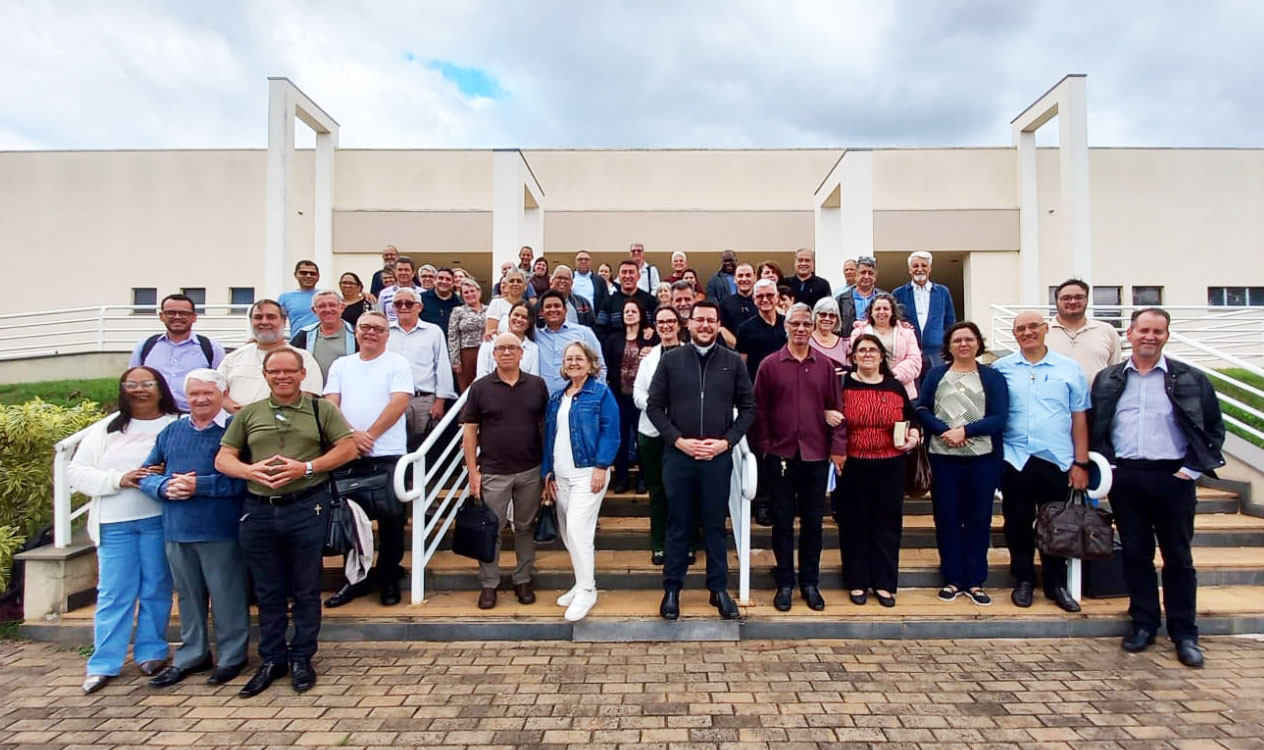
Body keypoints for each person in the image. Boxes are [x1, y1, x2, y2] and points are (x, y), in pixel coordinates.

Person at [1090, 308, 1226, 668]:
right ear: (1130, 334)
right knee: (1135, 554)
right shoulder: (1109, 379)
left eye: (1157, 331)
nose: (1149, 336)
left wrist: (1192, 470)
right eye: (1143, 330)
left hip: (1173, 478)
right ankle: (1144, 624)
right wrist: (1109, 468)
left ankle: (1184, 632)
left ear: (1166, 335)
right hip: (1128, 477)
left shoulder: (1190, 379)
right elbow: (1096, 426)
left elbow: (1213, 428)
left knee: (1178, 557)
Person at [215, 347, 355, 697]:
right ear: (265, 375)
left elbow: (347, 448)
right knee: (267, 589)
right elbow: (223, 457)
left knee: (306, 587)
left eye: (288, 371)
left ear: (301, 373)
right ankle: (272, 658)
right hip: (259, 508)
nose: (282, 377)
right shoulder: (249, 414)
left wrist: (306, 467)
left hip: (306, 505)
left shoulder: (320, 410)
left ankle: (302, 657)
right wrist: (249, 470)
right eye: (274, 372)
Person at [69, 367, 179, 694]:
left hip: (158, 519)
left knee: (157, 588)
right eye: (132, 385)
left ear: (160, 388)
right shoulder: (106, 428)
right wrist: (119, 479)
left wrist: (163, 473)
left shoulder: (175, 425)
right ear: (122, 390)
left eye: (147, 384)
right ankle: (104, 662)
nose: (140, 390)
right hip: (115, 523)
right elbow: (76, 472)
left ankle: (152, 651)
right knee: (114, 593)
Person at [138, 369, 249, 688]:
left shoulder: (234, 430)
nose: (200, 399)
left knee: (227, 597)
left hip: (220, 528)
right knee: (187, 597)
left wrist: (198, 485)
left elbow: (243, 478)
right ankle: (193, 655)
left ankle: (232, 656)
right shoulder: (171, 432)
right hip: (176, 528)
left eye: (208, 393)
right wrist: (162, 487)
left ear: (222, 394)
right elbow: (145, 474)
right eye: (194, 393)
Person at [647, 301, 756, 621]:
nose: (705, 325)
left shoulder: (733, 362)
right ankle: (672, 589)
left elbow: (749, 408)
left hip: (716, 458)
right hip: (679, 456)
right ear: (689, 324)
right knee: (678, 523)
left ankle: (718, 589)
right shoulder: (671, 360)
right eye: (699, 320)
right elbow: (654, 407)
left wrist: (726, 443)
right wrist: (678, 440)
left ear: (718, 324)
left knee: (714, 526)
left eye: (711, 320)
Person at [993, 310, 1091, 613]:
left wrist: (1081, 463)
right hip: (1016, 458)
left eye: (1033, 326)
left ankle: (1055, 583)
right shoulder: (1001, 369)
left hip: (1056, 459)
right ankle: (1023, 580)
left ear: (1046, 329)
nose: (1027, 333)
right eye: (1020, 328)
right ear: (1014, 334)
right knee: (1017, 523)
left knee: (1056, 526)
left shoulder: (1069, 369)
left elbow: (1079, 418)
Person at [750, 304, 846, 612]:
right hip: (780, 455)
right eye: (796, 324)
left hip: (816, 455)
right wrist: (764, 446)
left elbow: (837, 408)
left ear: (814, 326)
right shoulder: (769, 365)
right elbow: (759, 410)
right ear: (786, 327)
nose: (802, 328)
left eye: (807, 323)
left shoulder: (826, 367)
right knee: (781, 522)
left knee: (813, 523)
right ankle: (785, 583)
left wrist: (838, 447)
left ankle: (810, 582)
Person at [323, 312, 414, 608]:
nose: (371, 333)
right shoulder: (341, 365)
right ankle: (356, 580)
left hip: (387, 453)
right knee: (350, 521)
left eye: (378, 328)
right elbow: (330, 404)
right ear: (356, 332)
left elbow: (399, 402)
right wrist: (351, 434)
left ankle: (388, 577)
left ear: (387, 334)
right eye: (365, 327)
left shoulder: (397, 363)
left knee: (392, 521)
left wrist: (369, 435)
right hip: (347, 452)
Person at [915, 322, 1008, 606]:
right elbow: (920, 408)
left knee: (979, 520)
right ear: (949, 345)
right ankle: (953, 579)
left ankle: (976, 580)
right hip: (943, 460)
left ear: (978, 344)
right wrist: (944, 431)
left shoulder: (992, 377)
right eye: (958, 340)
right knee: (948, 519)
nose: (964, 344)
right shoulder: (936, 374)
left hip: (981, 460)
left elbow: (999, 417)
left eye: (969, 339)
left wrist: (965, 431)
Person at [461, 332, 551, 609]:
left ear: (521, 352)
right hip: (494, 471)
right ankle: (489, 584)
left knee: (524, 527)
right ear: (493, 353)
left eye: (512, 348)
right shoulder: (480, 387)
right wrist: (473, 472)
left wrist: (547, 469)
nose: (507, 353)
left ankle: (523, 579)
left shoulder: (537, 385)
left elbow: (545, 427)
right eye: (501, 348)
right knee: (492, 529)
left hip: (529, 470)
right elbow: (470, 431)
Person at [835, 335, 921, 608]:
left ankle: (884, 583)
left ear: (882, 356)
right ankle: (857, 581)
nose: (868, 354)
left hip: (890, 465)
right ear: (854, 357)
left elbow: (912, 417)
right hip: (853, 465)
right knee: (854, 525)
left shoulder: (895, 385)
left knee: (887, 526)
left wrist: (915, 436)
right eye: (862, 350)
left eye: (873, 350)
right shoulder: (842, 383)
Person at [542, 341, 620, 621]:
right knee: (567, 532)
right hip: (560, 475)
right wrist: (547, 472)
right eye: (569, 358)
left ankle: (588, 589)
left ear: (590, 363)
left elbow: (611, 432)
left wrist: (602, 466)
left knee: (578, 530)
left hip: (588, 472)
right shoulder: (557, 397)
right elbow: (551, 437)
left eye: (579, 358)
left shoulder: (600, 393)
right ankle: (579, 583)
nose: (574, 362)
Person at [634, 306, 691, 565]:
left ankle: (686, 543)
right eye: (660, 322)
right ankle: (659, 544)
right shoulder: (648, 358)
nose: (666, 326)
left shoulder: (691, 354)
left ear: (679, 325)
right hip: (652, 433)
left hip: (685, 433)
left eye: (670, 321)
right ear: (655, 327)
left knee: (684, 492)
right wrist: (660, 409)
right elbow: (638, 395)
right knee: (658, 491)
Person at [218, 300, 323, 413]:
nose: (264, 322)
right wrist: (237, 411)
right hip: (237, 422)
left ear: (284, 322)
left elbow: (307, 396)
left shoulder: (303, 358)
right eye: (258, 317)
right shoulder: (233, 357)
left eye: (271, 317)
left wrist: (266, 416)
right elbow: (216, 390)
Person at [386, 288, 457, 451]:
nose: (403, 307)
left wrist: (440, 401)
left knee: (423, 449)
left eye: (408, 303)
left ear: (419, 307)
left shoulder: (433, 332)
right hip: (391, 399)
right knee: (394, 446)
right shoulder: (385, 332)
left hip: (423, 399)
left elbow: (442, 366)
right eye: (398, 303)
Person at [129, 293, 226, 412]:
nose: (177, 317)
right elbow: (132, 383)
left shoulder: (211, 348)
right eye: (170, 312)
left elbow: (222, 385)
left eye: (184, 313)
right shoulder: (145, 346)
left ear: (194, 317)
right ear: (161, 316)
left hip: (195, 418)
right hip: (154, 416)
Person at [602, 297, 657, 494]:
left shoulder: (650, 337)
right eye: (627, 311)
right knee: (621, 438)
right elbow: (606, 366)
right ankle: (622, 478)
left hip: (641, 397)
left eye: (634, 311)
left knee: (642, 438)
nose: (630, 314)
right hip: (619, 396)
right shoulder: (614, 339)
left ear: (641, 314)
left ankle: (644, 478)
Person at [1047, 278, 1124, 383]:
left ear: (1087, 300)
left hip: (1097, 398)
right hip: (1055, 398)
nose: (1073, 301)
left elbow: (1114, 370)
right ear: (1056, 302)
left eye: (1079, 297)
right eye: (1066, 298)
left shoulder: (1107, 331)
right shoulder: (1043, 332)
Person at [848, 293, 922, 398]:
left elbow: (915, 360)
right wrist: (877, 379)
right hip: (867, 390)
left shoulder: (907, 333)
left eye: (886, 309)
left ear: (892, 312)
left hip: (902, 390)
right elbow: (856, 360)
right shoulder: (858, 333)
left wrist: (892, 376)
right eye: (877, 309)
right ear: (871, 312)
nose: (881, 312)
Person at [892, 251, 957, 369]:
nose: (920, 269)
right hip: (908, 353)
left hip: (936, 353)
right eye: (915, 266)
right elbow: (892, 322)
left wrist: (946, 346)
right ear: (910, 269)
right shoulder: (899, 293)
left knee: (936, 385)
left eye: (924, 265)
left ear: (930, 268)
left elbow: (950, 322)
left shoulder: (942, 292)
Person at [536, 290, 606, 395]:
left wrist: (597, 394)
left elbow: (599, 364)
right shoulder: (536, 336)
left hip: (578, 399)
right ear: (541, 312)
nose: (553, 309)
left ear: (565, 310)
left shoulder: (584, 333)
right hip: (543, 399)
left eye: (557, 306)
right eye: (548, 306)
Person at [289, 290, 357, 380]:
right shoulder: (304, 335)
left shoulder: (357, 334)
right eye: (322, 306)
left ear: (342, 307)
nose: (328, 310)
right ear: (314, 310)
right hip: (312, 392)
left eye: (332, 305)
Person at [736, 279, 786, 383]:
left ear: (777, 297)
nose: (765, 299)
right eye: (760, 296)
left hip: (787, 385)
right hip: (758, 387)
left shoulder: (788, 324)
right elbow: (742, 365)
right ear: (754, 299)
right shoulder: (745, 328)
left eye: (770, 295)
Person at [476, 301, 540, 378]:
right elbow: (481, 373)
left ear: (530, 322)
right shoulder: (491, 340)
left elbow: (533, 377)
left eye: (524, 317)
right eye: (516, 315)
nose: (519, 319)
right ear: (509, 316)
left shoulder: (533, 348)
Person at [596, 259, 657, 338]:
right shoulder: (608, 302)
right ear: (619, 276)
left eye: (631, 272)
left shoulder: (651, 301)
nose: (627, 276)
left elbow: (659, 325)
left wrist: (653, 330)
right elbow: (599, 330)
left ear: (639, 276)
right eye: (624, 272)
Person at [448, 278, 488, 391]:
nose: (470, 294)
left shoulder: (490, 309)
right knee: (468, 390)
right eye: (466, 292)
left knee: (486, 387)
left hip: (486, 352)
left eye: (472, 291)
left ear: (479, 291)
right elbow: (453, 335)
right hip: (467, 355)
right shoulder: (458, 311)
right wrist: (455, 360)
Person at [836, 256, 886, 333]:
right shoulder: (841, 300)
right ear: (856, 275)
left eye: (870, 273)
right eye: (863, 272)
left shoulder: (885, 299)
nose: (866, 276)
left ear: (875, 276)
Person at [718, 263, 758, 348]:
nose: (744, 279)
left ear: (755, 278)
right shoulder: (724, 303)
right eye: (740, 276)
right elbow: (721, 328)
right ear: (734, 279)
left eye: (748, 275)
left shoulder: (761, 302)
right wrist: (739, 347)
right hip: (733, 354)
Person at [808, 296, 849, 374]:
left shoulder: (845, 344)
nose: (827, 319)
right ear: (815, 315)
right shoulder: (805, 341)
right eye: (823, 314)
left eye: (832, 316)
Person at [485, 269, 530, 338]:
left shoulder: (528, 307)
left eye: (519, 281)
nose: (515, 283)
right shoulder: (496, 304)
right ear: (506, 285)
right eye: (511, 281)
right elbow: (490, 334)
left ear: (525, 286)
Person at [278, 260, 321, 331]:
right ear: (295, 275)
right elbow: (277, 321)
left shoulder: (327, 296)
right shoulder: (285, 298)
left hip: (323, 340)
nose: (308, 276)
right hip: (297, 341)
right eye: (303, 273)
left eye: (312, 273)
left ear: (318, 276)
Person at [378, 256, 423, 324]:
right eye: (400, 270)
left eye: (406, 270)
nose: (403, 272)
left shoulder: (422, 293)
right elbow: (379, 316)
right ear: (395, 272)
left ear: (413, 273)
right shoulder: (384, 293)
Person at [420, 267, 461, 335]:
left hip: (450, 343)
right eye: (441, 278)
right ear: (435, 281)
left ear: (453, 283)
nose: (444, 282)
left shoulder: (459, 302)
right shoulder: (421, 299)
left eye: (448, 279)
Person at [573, 250, 609, 314]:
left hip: (593, 319)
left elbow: (605, 301)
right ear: (575, 262)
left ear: (590, 262)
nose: (583, 261)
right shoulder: (569, 278)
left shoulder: (599, 280)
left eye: (586, 259)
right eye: (580, 259)